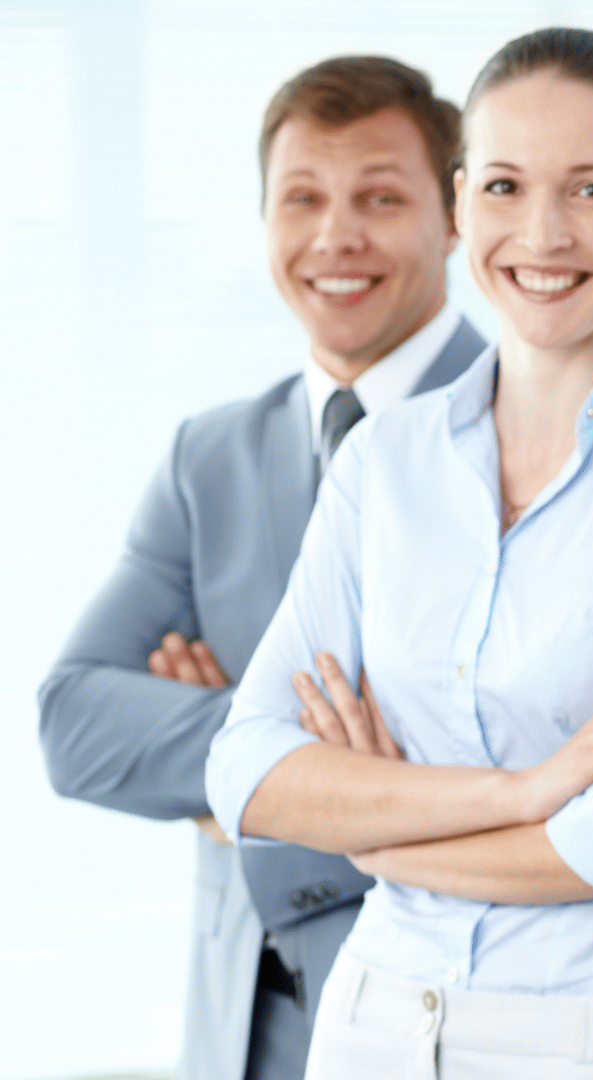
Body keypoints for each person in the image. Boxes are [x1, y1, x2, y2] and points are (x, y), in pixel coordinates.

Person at [204, 28, 593, 1077]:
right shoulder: (387, 462)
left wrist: (377, 830)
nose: (544, 232)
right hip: (371, 1020)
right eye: (507, 186)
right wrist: (519, 795)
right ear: (463, 203)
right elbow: (247, 768)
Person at [37, 56, 484, 1080]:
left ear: (455, 215)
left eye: (380, 196)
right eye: (303, 199)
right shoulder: (212, 454)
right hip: (238, 1027)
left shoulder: (531, 429)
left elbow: (540, 779)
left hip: (447, 1019)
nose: (337, 236)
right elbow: (72, 724)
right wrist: (314, 757)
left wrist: (238, 792)